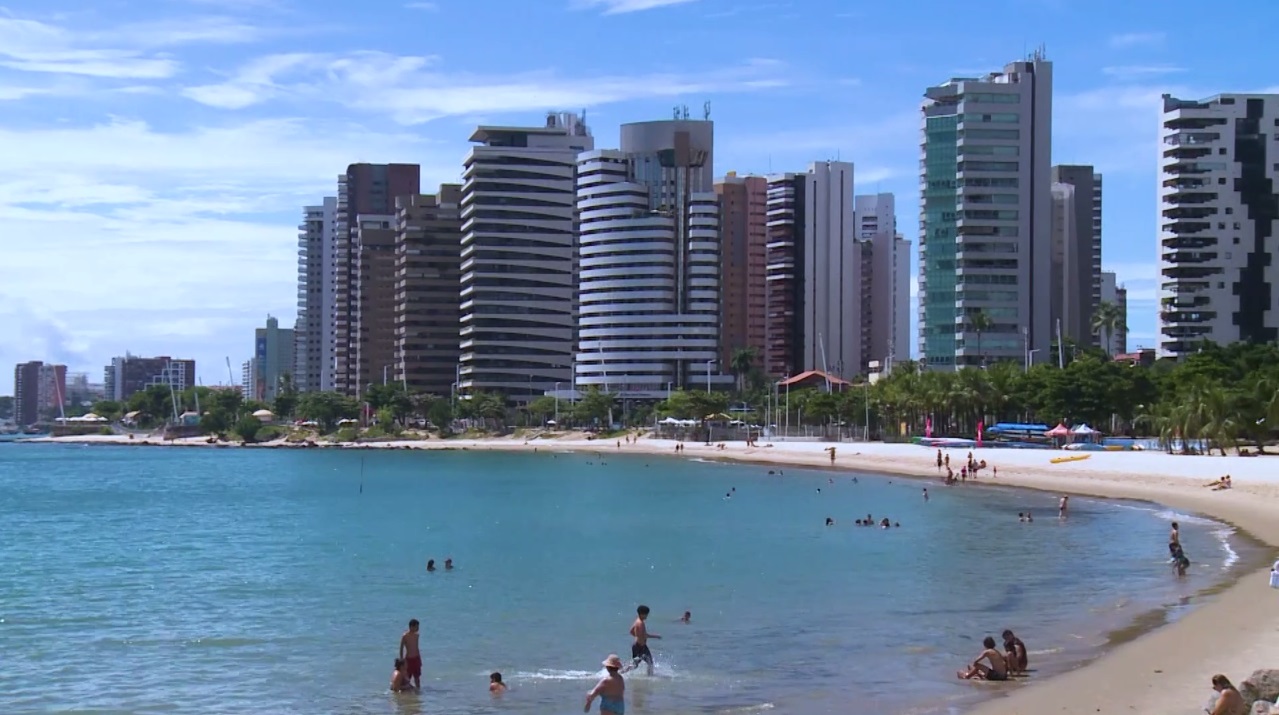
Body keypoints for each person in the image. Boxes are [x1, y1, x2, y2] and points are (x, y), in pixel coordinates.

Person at [627, 605, 660, 674]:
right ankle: (621, 673)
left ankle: (620, 673)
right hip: (639, 647)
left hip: (639, 646)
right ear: (642, 614)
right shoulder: (641, 623)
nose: (647, 616)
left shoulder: (637, 621)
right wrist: (656, 636)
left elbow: (631, 631)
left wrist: (638, 637)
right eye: (646, 614)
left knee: (644, 663)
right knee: (647, 664)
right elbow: (645, 636)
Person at [400, 618, 423, 690]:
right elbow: (401, 648)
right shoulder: (405, 636)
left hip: (416, 658)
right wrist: (402, 660)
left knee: (417, 677)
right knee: (407, 678)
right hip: (408, 659)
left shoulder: (417, 635)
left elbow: (417, 647)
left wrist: (419, 659)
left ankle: (418, 693)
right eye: (417, 626)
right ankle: (405, 694)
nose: (418, 628)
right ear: (411, 626)